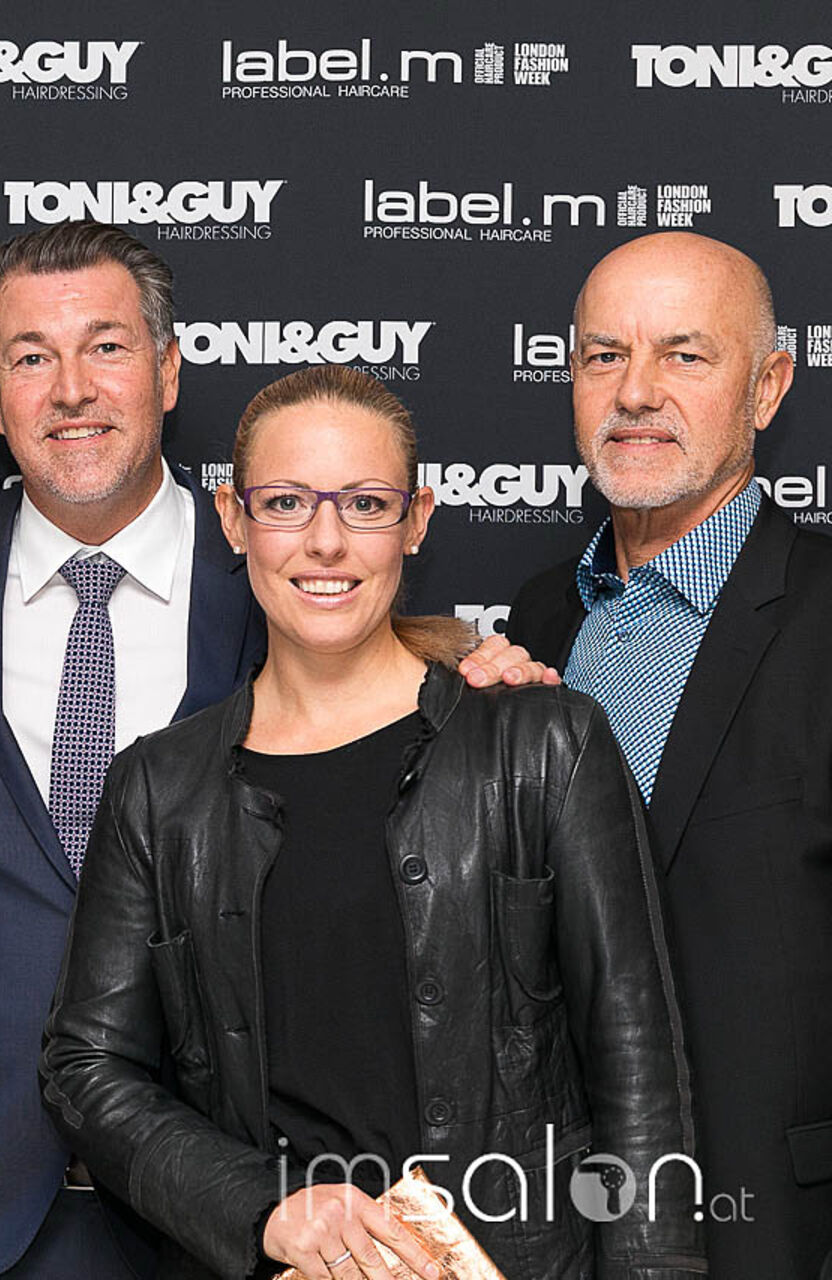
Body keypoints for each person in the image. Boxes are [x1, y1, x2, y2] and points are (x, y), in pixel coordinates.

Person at [0, 219, 546, 1279]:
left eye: (107, 346)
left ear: (168, 370)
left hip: (237, 1187)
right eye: (31, 357)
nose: (72, 389)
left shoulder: (279, 562)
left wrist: (476, 671)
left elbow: (385, 687)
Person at [41, 365, 704, 1280]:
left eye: (364, 504)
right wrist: (264, 1205)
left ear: (416, 520)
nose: (326, 542)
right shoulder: (158, 790)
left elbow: (638, 1071)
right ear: (234, 519)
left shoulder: (544, 742)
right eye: (286, 503)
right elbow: (86, 1066)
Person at [507, 231, 832, 1277]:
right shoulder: (540, 617)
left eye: (684, 355)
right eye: (605, 355)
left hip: (774, 1226)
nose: (636, 391)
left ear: (767, 387)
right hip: (548, 1213)